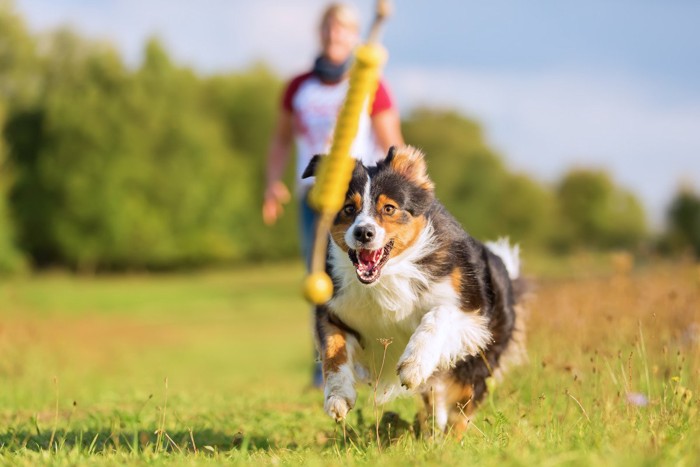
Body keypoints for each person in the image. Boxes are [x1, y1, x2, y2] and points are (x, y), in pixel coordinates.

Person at [263, 2, 404, 387]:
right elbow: (279, 141)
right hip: (313, 196)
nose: (334, 34)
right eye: (329, 27)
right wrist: (272, 183)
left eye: (342, 28)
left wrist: (400, 188)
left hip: (359, 199)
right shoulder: (299, 87)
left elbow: (391, 141)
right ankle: (326, 364)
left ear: (353, 36)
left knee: (361, 274)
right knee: (320, 278)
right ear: (320, 32)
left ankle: (374, 355)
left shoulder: (368, 83)